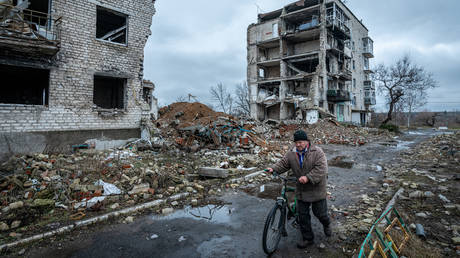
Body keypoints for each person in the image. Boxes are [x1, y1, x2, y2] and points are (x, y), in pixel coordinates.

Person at [266, 130, 331, 248]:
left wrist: (308, 177)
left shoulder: (317, 152)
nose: (298, 145)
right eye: (296, 142)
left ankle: (326, 224)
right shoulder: (291, 153)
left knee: (321, 214)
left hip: (316, 189)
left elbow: (322, 169)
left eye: (300, 142)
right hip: (301, 190)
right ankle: (308, 238)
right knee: (303, 216)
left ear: (307, 141)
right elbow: (283, 164)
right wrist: (273, 169)